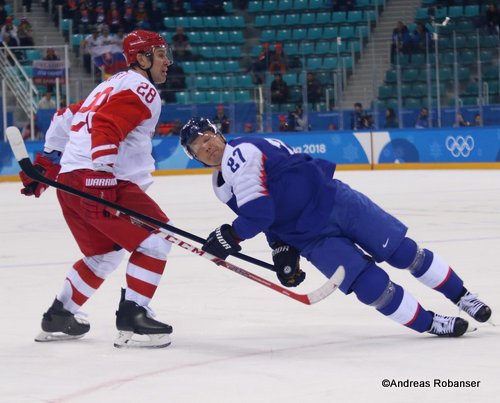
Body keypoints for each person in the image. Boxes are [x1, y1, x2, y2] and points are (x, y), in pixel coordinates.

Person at [178, 117, 492, 338]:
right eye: (196, 146)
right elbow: (265, 212)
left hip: (335, 203)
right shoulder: (222, 186)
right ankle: (429, 323)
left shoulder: (241, 152)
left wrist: (230, 236)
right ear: (193, 157)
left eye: (207, 137)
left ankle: (463, 296)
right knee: (370, 287)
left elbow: (258, 212)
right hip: (310, 237)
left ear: (219, 134)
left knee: (404, 253)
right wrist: (281, 247)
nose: (205, 146)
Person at [18, 30, 175, 348]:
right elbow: (105, 125)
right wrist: (102, 175)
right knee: (157, 240)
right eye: (160, 55)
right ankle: (135, 315)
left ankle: (60, 315)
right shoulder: (143, 89)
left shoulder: (107, 86)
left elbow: (63, 118)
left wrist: (47, 164)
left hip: (70, 182)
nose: (167, 61)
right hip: (103, 180)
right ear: (141, 59)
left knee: (103, 255)